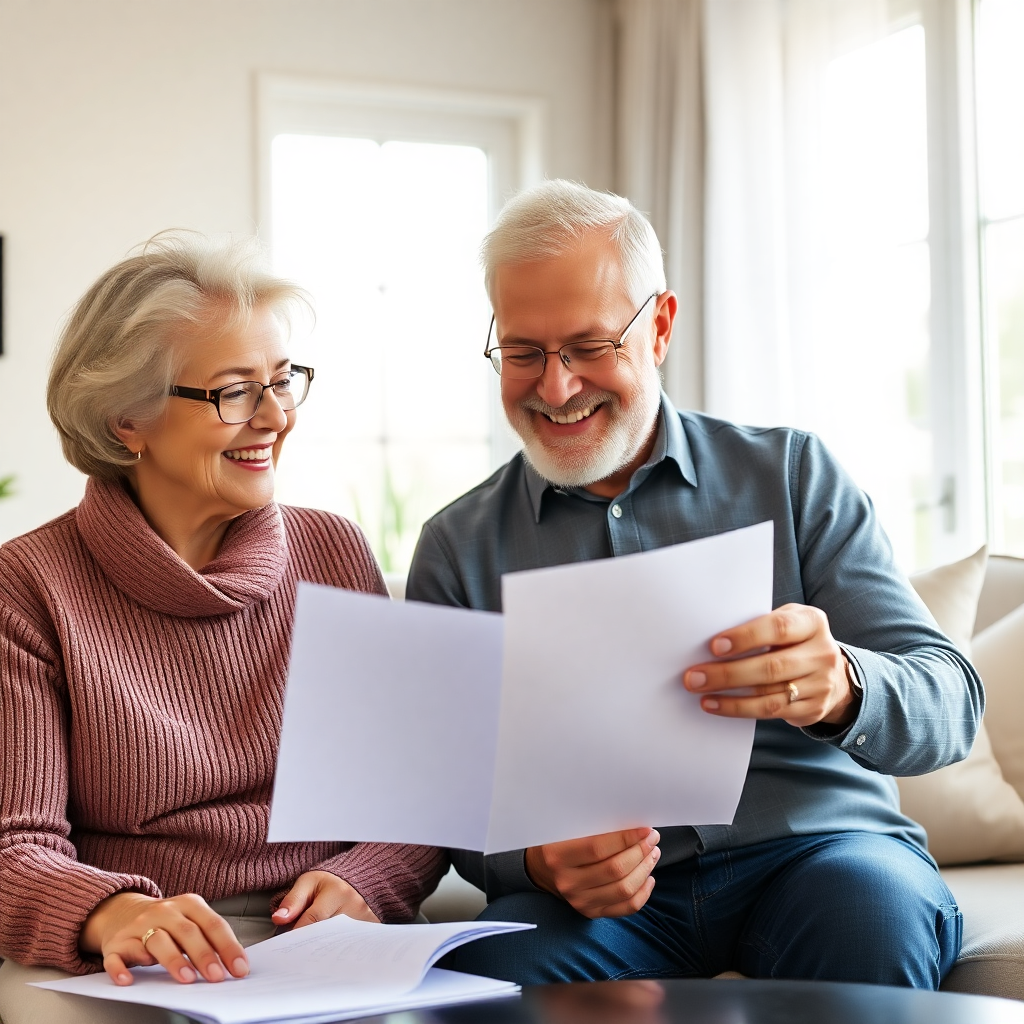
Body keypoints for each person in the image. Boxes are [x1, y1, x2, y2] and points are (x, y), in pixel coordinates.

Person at [407, 180, 982, 989]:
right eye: (524, 352)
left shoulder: (792, 475)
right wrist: (537, 860)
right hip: (594, 908)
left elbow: (949, 706)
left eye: (588, 345)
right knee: (489, 970)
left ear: (661, 326)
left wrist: (844, 685)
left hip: (821, 853)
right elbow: (445, 803)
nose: (557, 386)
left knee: (870, 920)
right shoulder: (457, 547)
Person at [0, 233, 445, 1024]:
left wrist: (367, 881)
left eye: (284, 382)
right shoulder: (29, 586)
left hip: (323, 950)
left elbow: (411, 803)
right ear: (125, 419)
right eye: (236, 391)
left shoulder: (334, 551)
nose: (276, 416)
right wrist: (118, 914)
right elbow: (14, 850)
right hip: (131, 962)